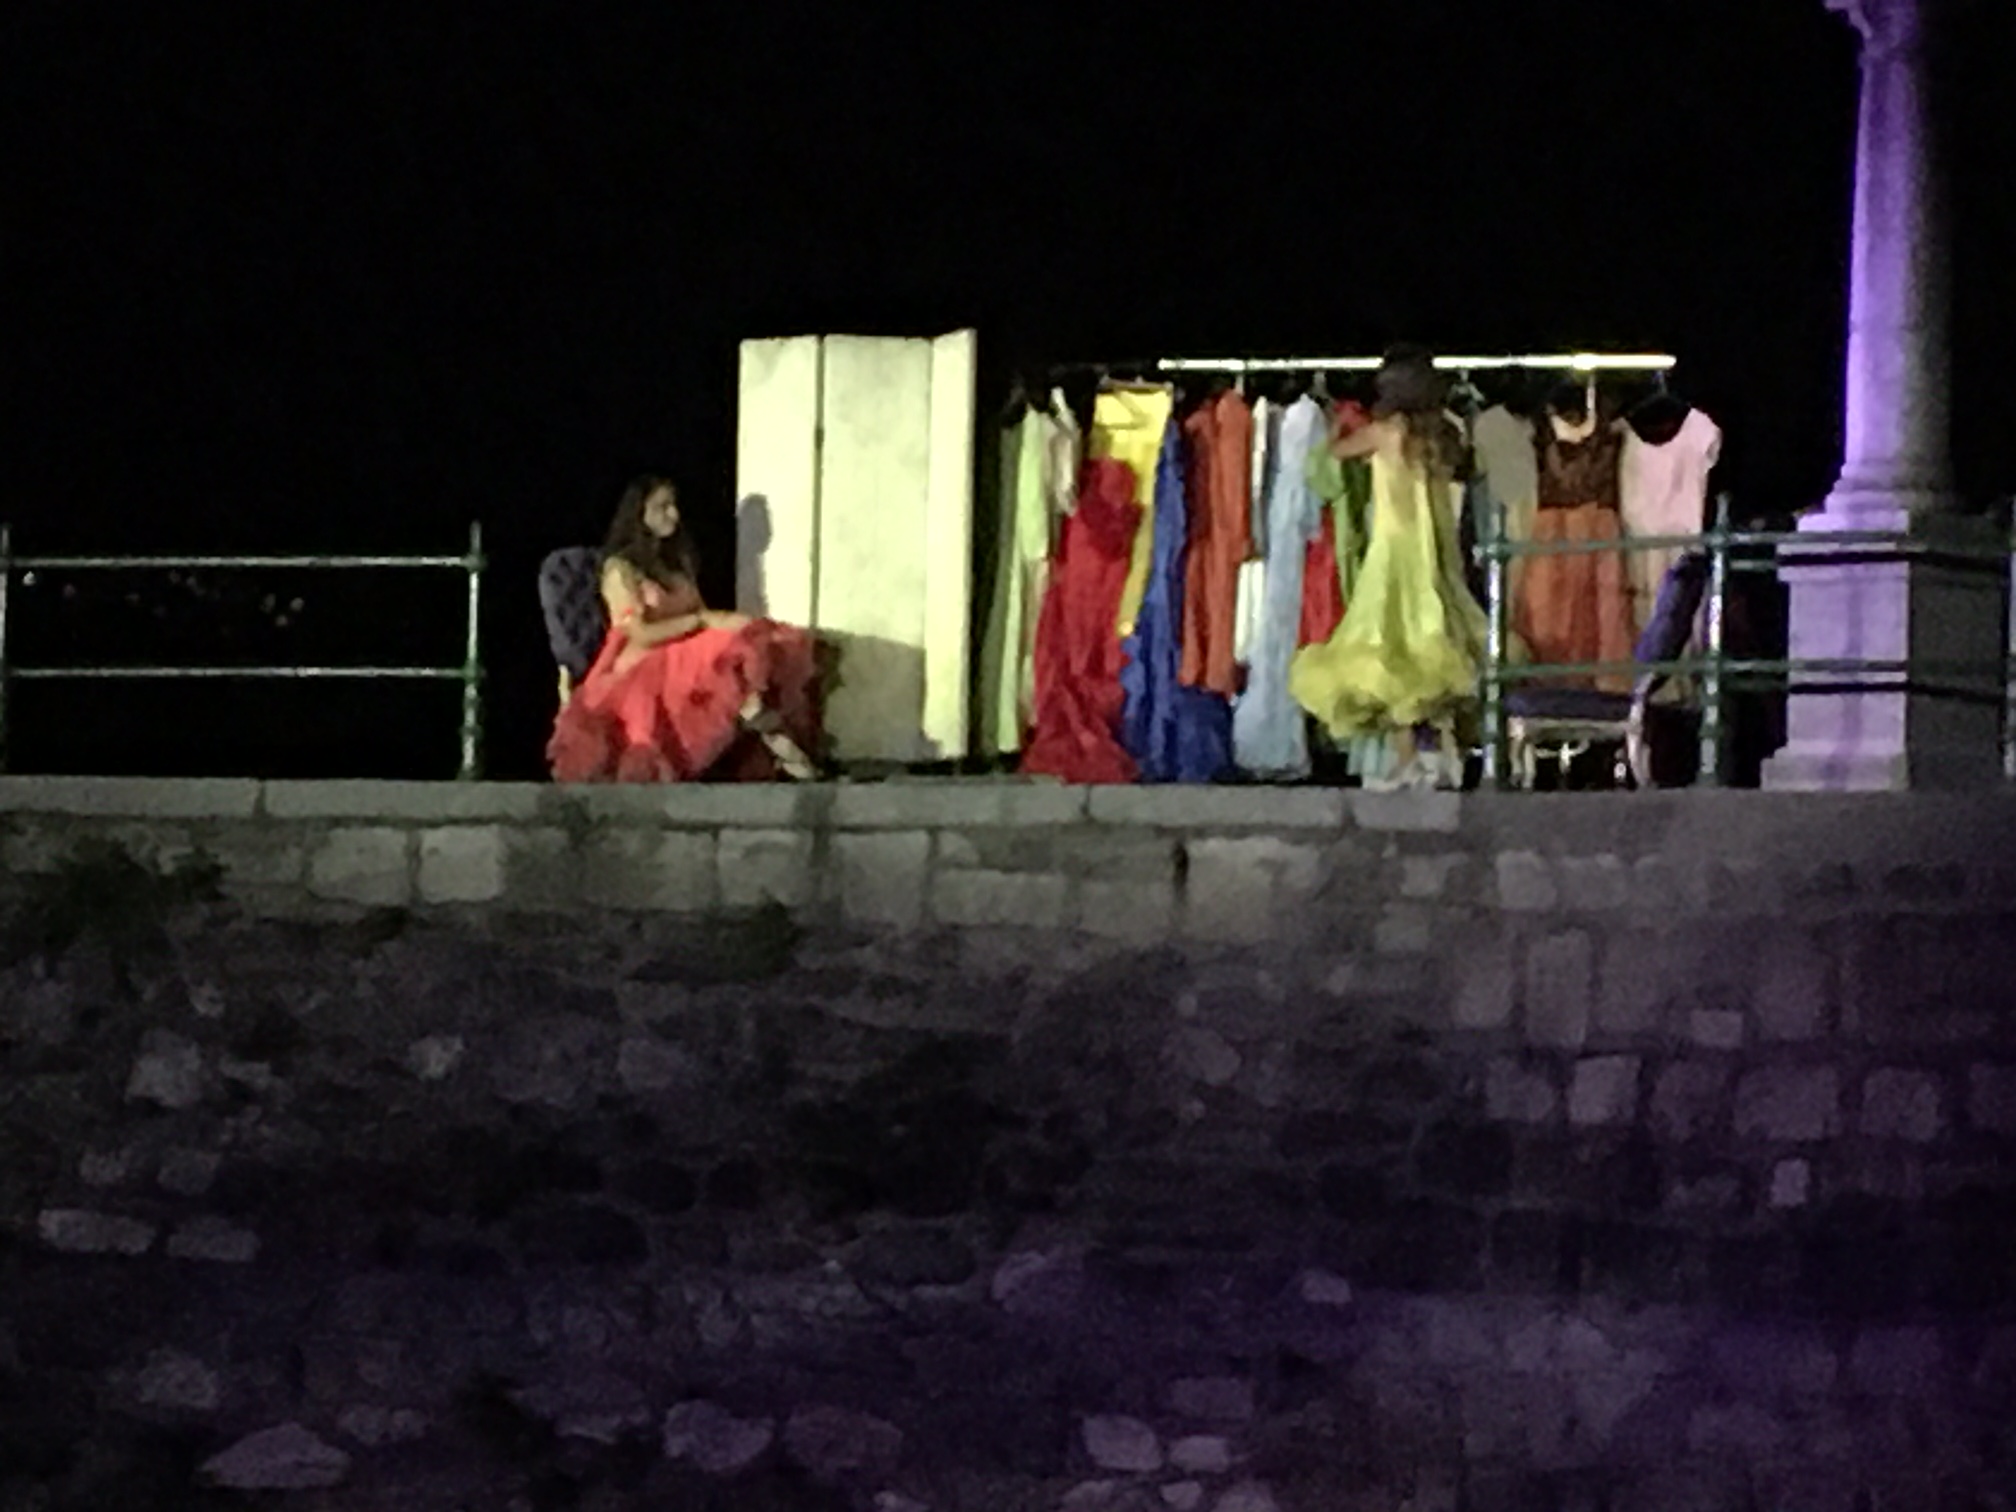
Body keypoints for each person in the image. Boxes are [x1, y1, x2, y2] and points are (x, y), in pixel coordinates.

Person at [1287, 346, 1491, 790]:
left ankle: (1409, 761)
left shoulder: (1385, 431)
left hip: (1395, 550)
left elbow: (1332, 455)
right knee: (1437, 650)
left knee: (1390, 654)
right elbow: (1469, 471)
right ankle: (1447, 755)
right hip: (1437, 551)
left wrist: (1338, 428)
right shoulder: (1446, 434)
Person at [547, 475, 821, 782]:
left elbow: (700, 611)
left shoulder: (676, 563)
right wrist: (699, 622)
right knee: (718, 656)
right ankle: (771, 737)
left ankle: (772, 733)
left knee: (752, 640)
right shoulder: (621, 569)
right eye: (662, 507)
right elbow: (640, 633)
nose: (674, 515)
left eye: (674, 506)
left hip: (685, 651)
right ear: (639, 514)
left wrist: (732, 624)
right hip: (643, 661)